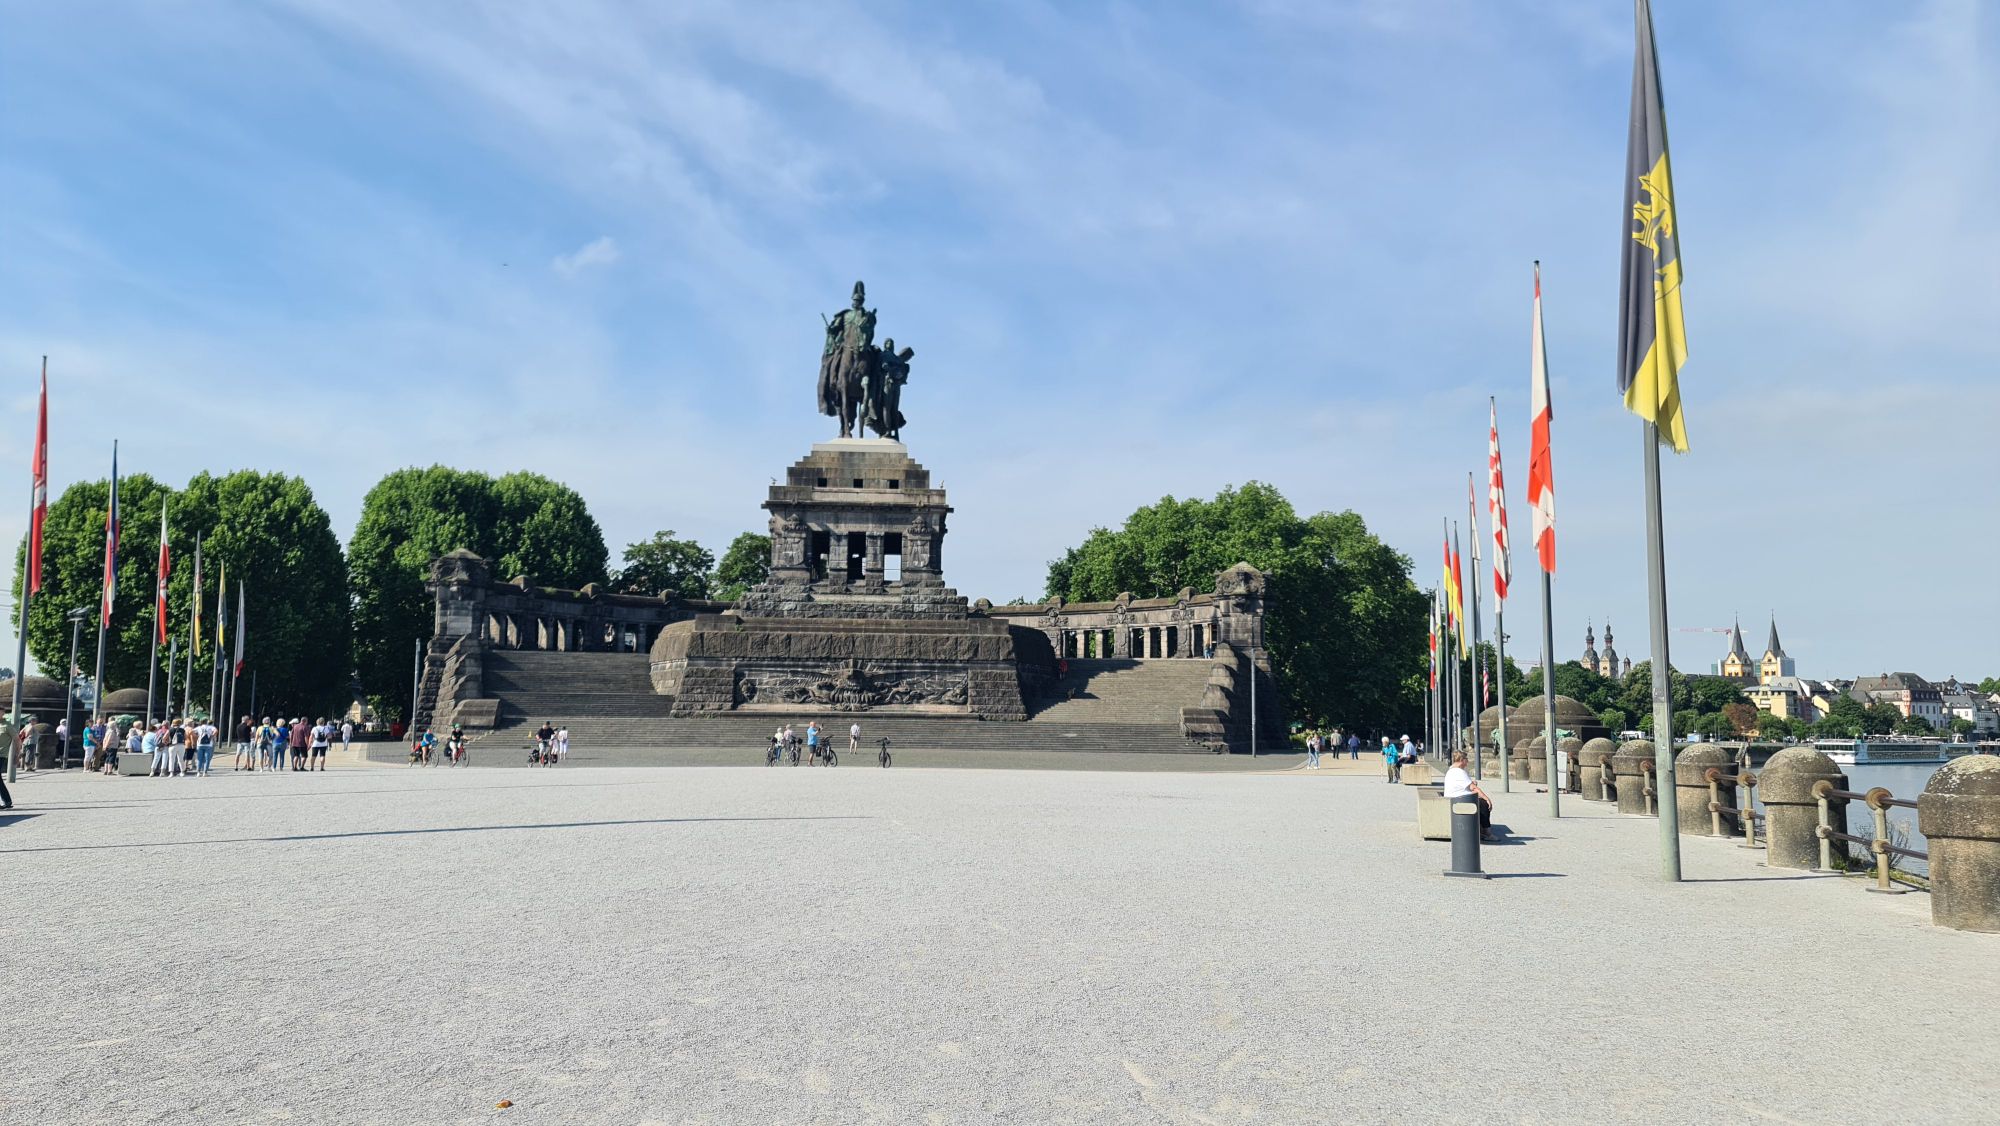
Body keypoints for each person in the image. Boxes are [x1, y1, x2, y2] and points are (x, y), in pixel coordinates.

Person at [1443, 751, 1495, 840]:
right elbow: (1473, 788)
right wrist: (1487, 799)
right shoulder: (1459, 772)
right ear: (1462, 760)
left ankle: (1480, 831)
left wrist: (1472, 784)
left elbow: (1464, 785)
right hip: (1459, 801)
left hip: (1455, 799)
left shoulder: (1451, 770)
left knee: (1478, 801)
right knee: (1484, 804)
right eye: (1466, 759)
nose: (1467, 762)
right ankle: (1487, 833)